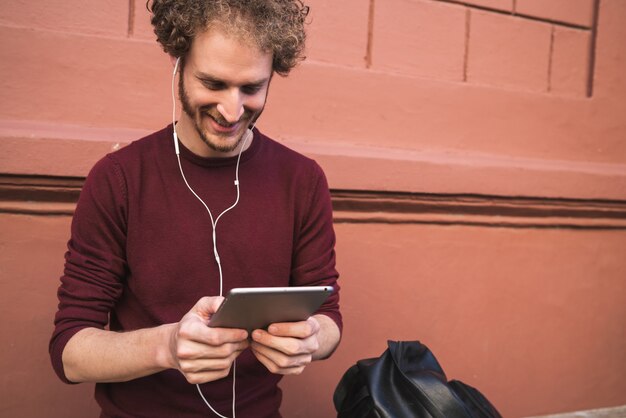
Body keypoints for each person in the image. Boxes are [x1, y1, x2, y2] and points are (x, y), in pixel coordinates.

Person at [49, 1, 341, 417]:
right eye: (214, 83)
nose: (232, 110)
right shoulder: (119, 178)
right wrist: (165, 347)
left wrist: (311, 337)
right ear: (177, 60)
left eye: (252, 88)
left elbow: (329, 318)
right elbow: (70, 352)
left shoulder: (303, 180)